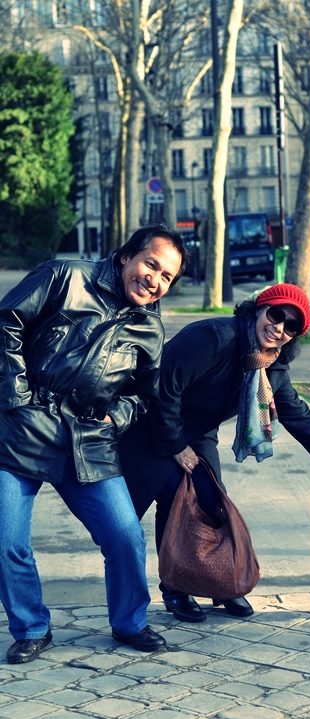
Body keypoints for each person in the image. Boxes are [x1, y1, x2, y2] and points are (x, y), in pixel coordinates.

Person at [0, 222, 187, 664]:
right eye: (150, 265)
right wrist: (18, 398)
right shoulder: (64, 276)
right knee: (7, 538)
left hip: (88, 439)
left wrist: (114, 417)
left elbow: (144, 395)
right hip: (25, 427)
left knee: (124, 534)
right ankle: (31, 627)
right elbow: (5, 322)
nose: (154, 280)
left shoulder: (150, 328)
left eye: (166, 277)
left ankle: (129, 622)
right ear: (125, 257)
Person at [120, 283, 310, 623]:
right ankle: (175, 589)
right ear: (258, 309)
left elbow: (296, 413)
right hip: (149, 425)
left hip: (197, 432)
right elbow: (163, 388)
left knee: (211, 503)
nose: (279, 328)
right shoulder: (212, 337)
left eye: (291, 326)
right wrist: (176, 445)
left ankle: (218, 582)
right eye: (276, 314)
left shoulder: (271, 364)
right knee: (169, 501)